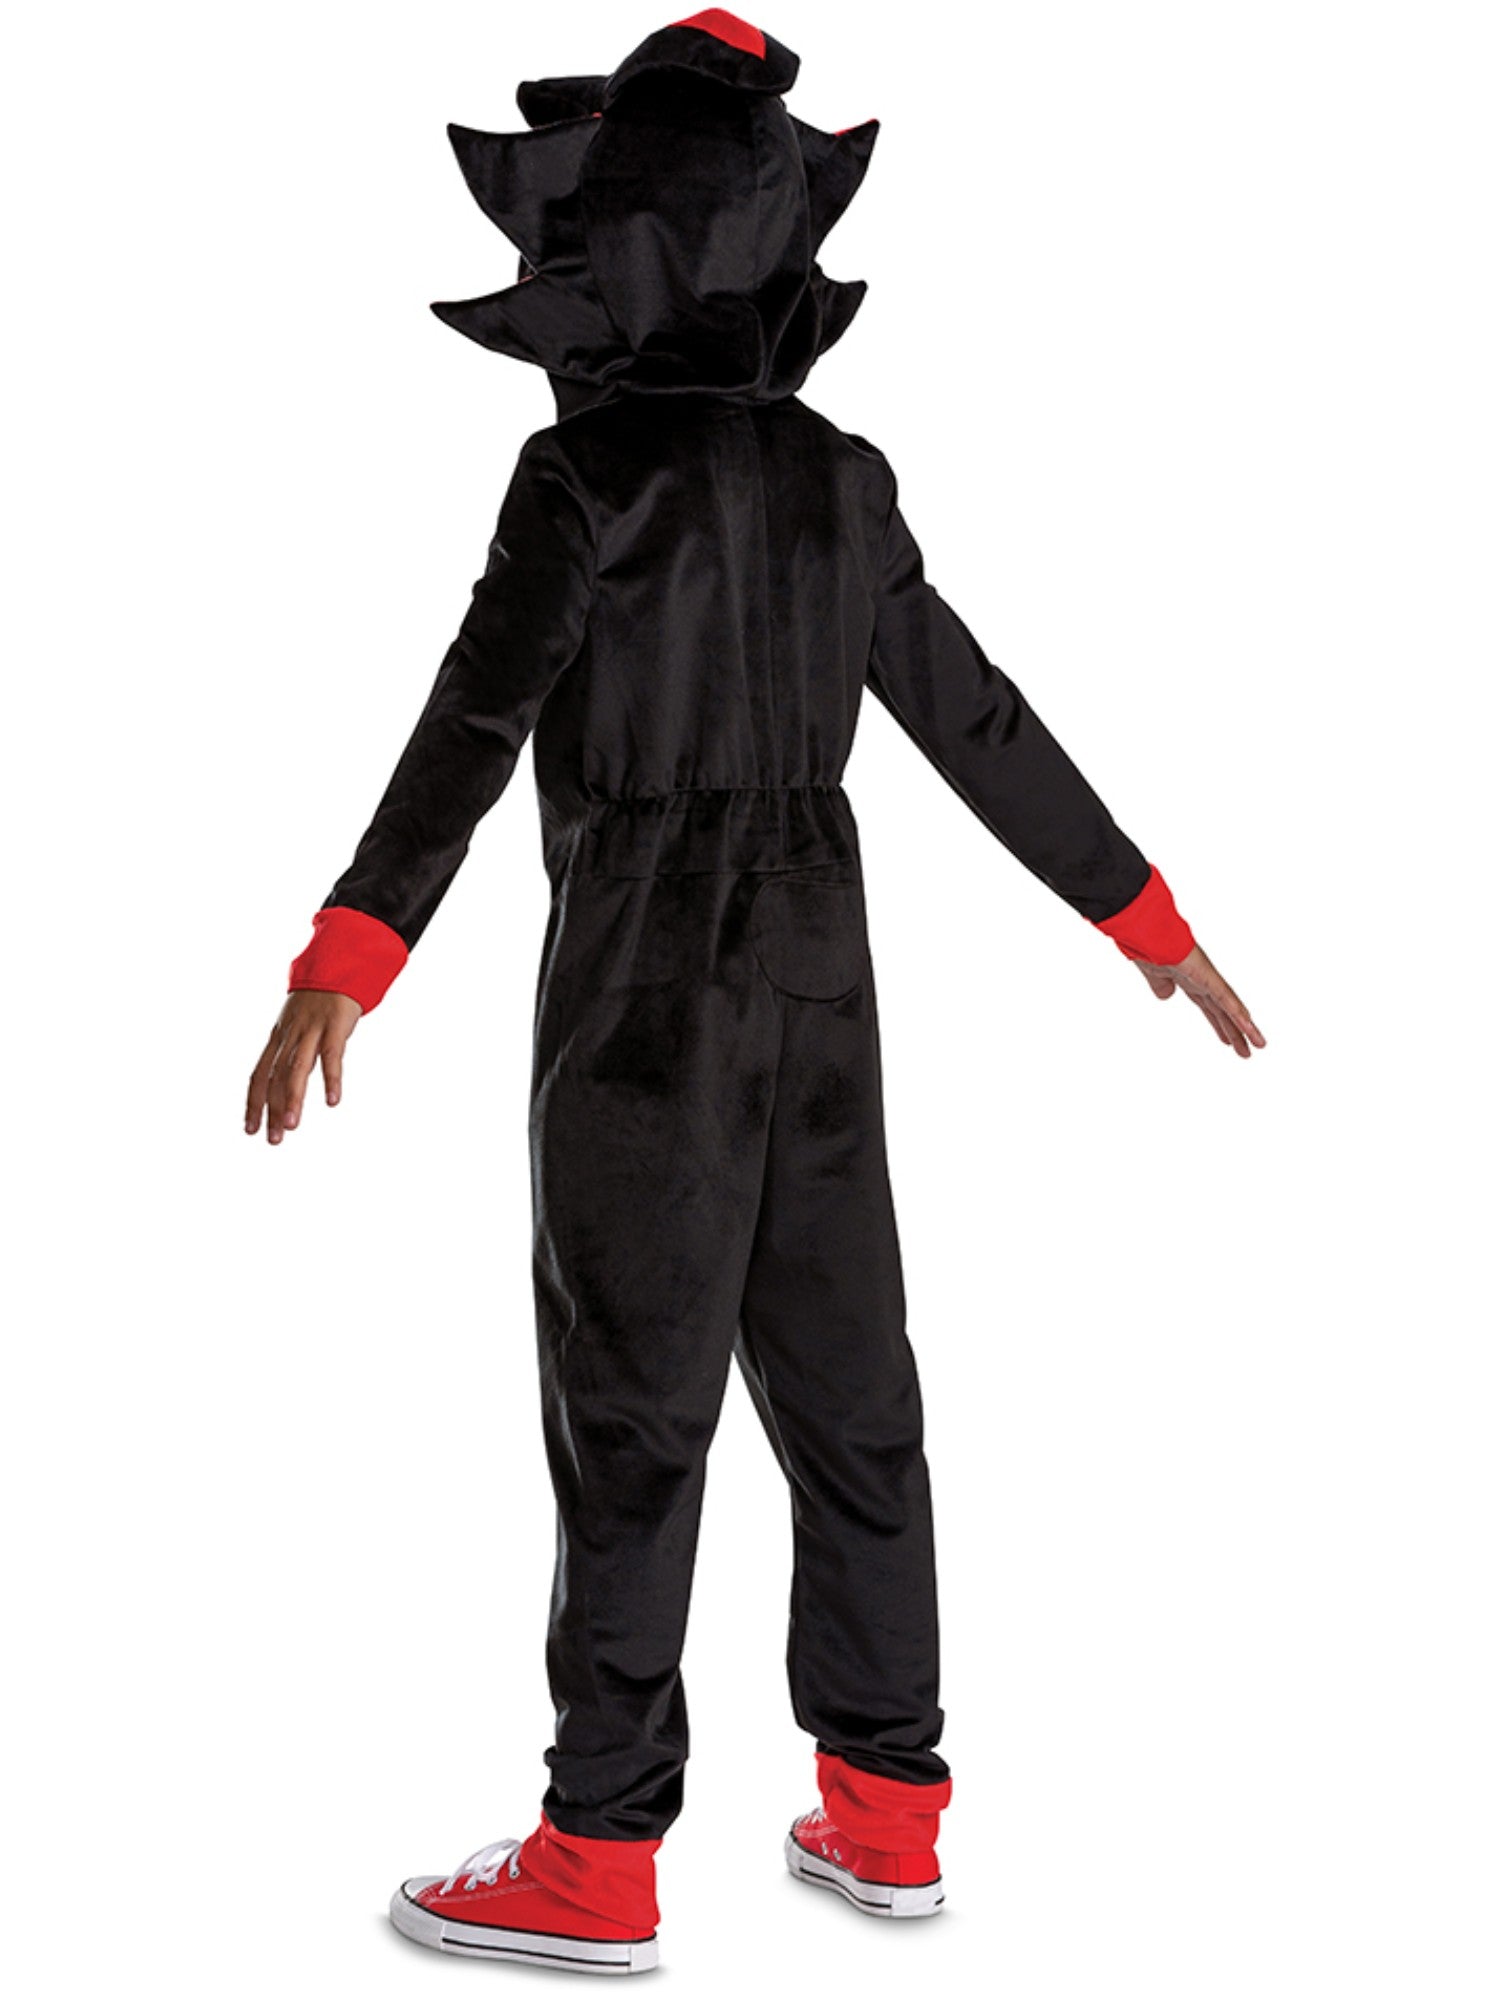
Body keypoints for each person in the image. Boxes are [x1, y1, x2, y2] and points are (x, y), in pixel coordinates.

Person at [244, 9, 1264, 1978]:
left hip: (644, 976)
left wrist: (349, 953)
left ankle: (597, 1856)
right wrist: (1142, 916)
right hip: (820, 964)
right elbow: (973, 715)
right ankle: (888, 1809)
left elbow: (471, 724)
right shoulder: (837, 479)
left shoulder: (583, 479)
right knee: (852, 1385)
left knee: (632, 1408)